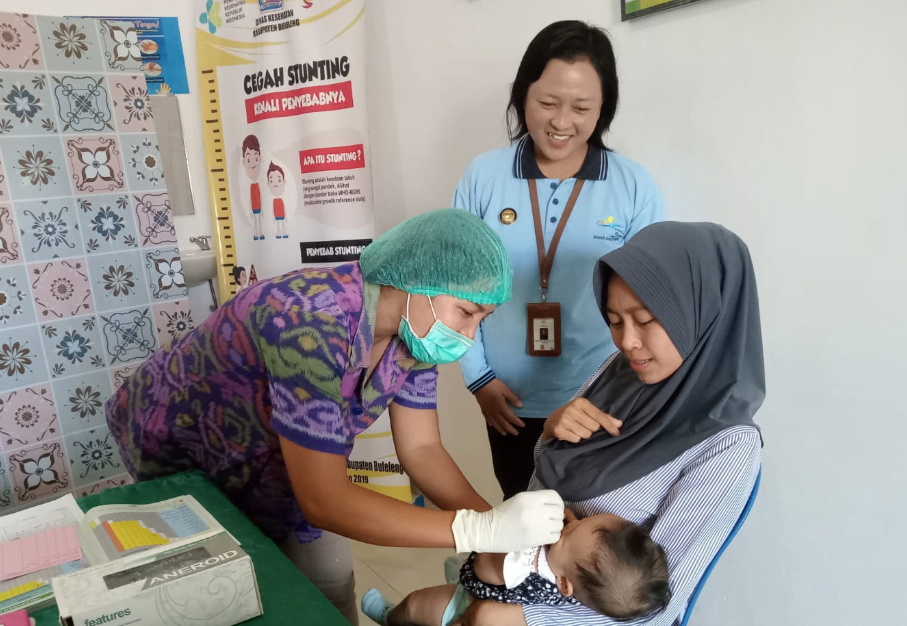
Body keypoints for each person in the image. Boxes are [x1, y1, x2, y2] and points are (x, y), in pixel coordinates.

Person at [105, 209, 566, 625]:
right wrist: (477, 530)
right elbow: (324, 499)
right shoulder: (308, 319)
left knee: (327, 589)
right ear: (415, 283)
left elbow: (422, 448)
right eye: (466, 312)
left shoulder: (417, 337)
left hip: (280, 458)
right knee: (216, 592)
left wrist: (501, 525)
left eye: (481, 319)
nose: (466, 335)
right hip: (181, 445)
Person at [451, 221, 764, 626]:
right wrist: (551, 431)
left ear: (702, 315)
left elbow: (651, 608)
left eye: (645, 320)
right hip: (516, 577)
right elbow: (544, 478)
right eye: (615, 321)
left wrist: (519, 618)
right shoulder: (618, 372)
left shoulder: (727, 446)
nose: (627, 341)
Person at [453, 20, 664, 500]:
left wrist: (636, 390)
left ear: (603, 108)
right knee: (522, 514)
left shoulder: (632, 186)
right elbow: (453, 288)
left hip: (602, 400)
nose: (562, 122)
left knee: (589, 526)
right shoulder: (483, 177)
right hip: (506, 401)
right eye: (548, 103)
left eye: (581, 108)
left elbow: (651, 302)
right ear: (522, 95)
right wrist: (478, 379)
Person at [361, 509, 670, 626]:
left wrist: (516, 530)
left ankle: (391, 616)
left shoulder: (529, 567)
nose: (569, 522)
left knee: (416, 604)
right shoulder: (572, 571)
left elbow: (485, 566)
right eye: (580, 520)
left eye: (570, 532)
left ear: (564, 584)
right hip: (485, 593)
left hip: (465, 606)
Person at [242, 134, 264, 241]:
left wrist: (262, 209)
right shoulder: (251, 187)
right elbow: (250, 200)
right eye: (248, 160)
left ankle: (260, 233)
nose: (253, 164)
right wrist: (251, 210)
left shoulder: (257, 186)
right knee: (256, 221)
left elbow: (260, 197)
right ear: (244, 161)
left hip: (259, 208)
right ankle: (257, 234)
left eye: (255, 158)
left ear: (260, 158)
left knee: (259, 221)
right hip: (254, 208)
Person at [267, 161, 289, 239]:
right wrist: (273, 217)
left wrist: (286, 216)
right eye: (271, 181)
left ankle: (283, 233)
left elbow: (284, 208)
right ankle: (279, 233)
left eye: (279, 180)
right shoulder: (274, 201)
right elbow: (273, 209)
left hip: (282, 215)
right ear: (268, 183)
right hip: (277, 215)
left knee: (282, 224)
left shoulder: (281, 200)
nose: (275, 184)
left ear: (284, 181)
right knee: (278, 225)